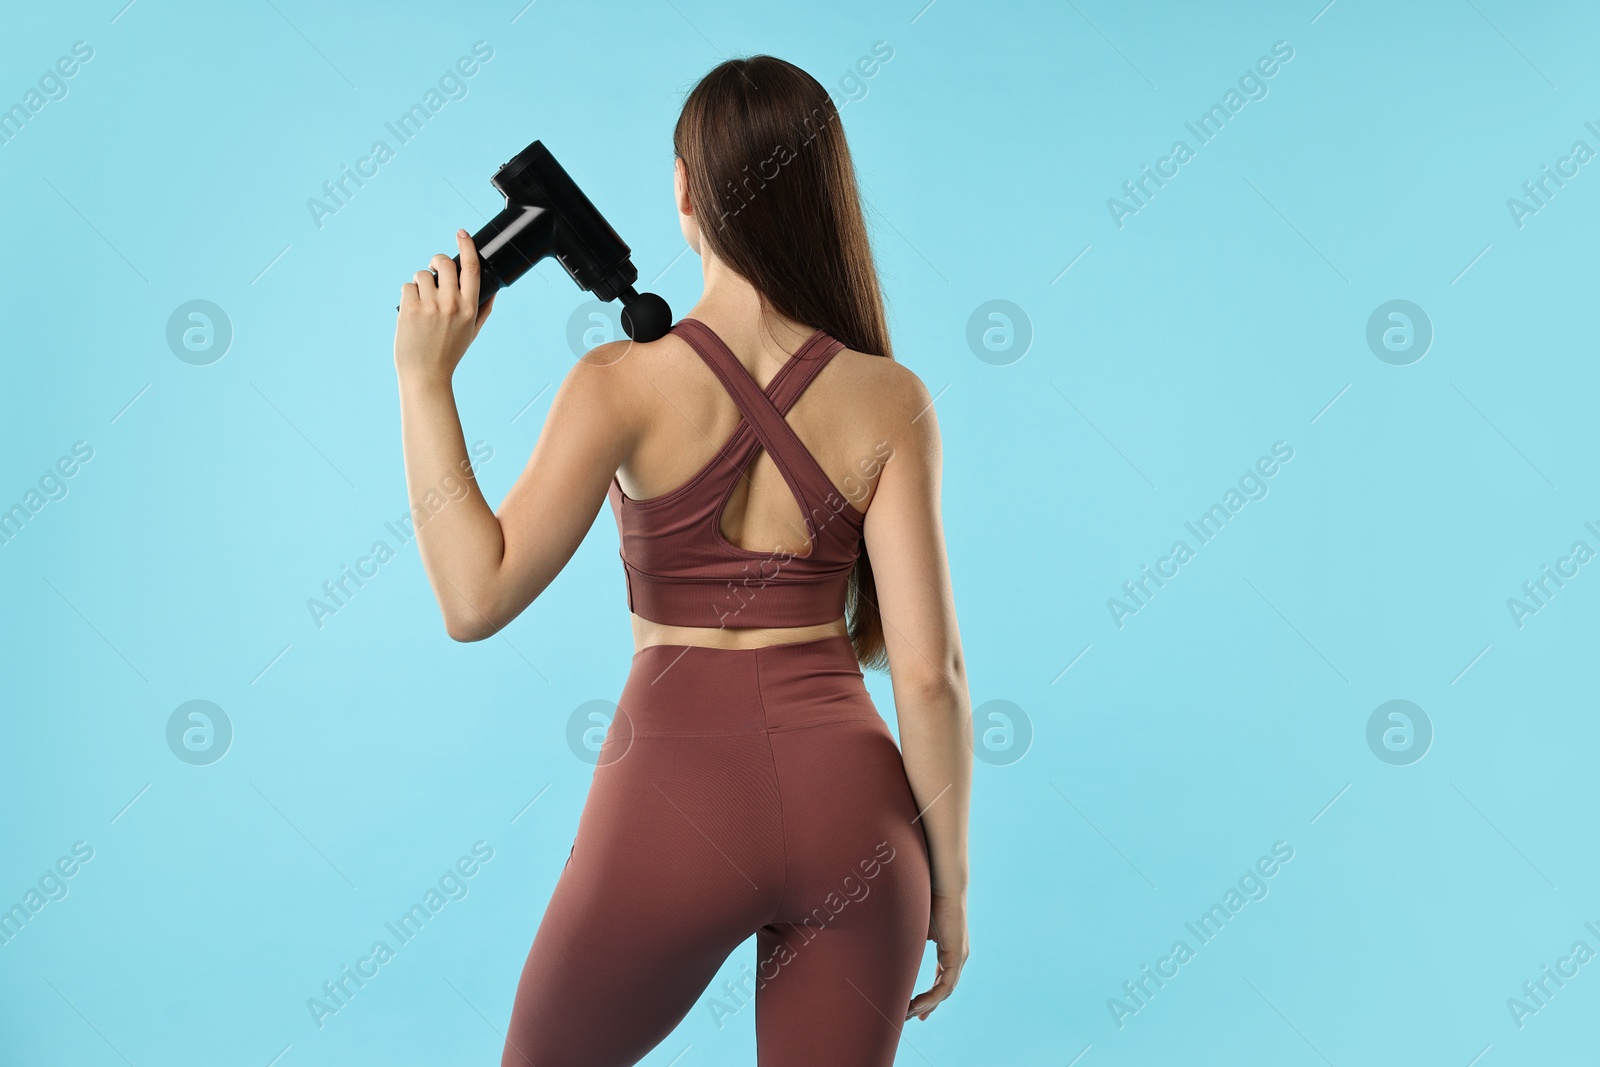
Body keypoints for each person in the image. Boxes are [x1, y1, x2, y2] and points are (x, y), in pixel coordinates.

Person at [393, 54, 971, 1067]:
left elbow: (472, 595)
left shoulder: (619, 383)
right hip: (857, 813)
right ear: (822, 194)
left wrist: (422, 378)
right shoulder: (891, 397)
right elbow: (930, 675)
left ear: (683, 190)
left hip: (673, 800)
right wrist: (947, 882)